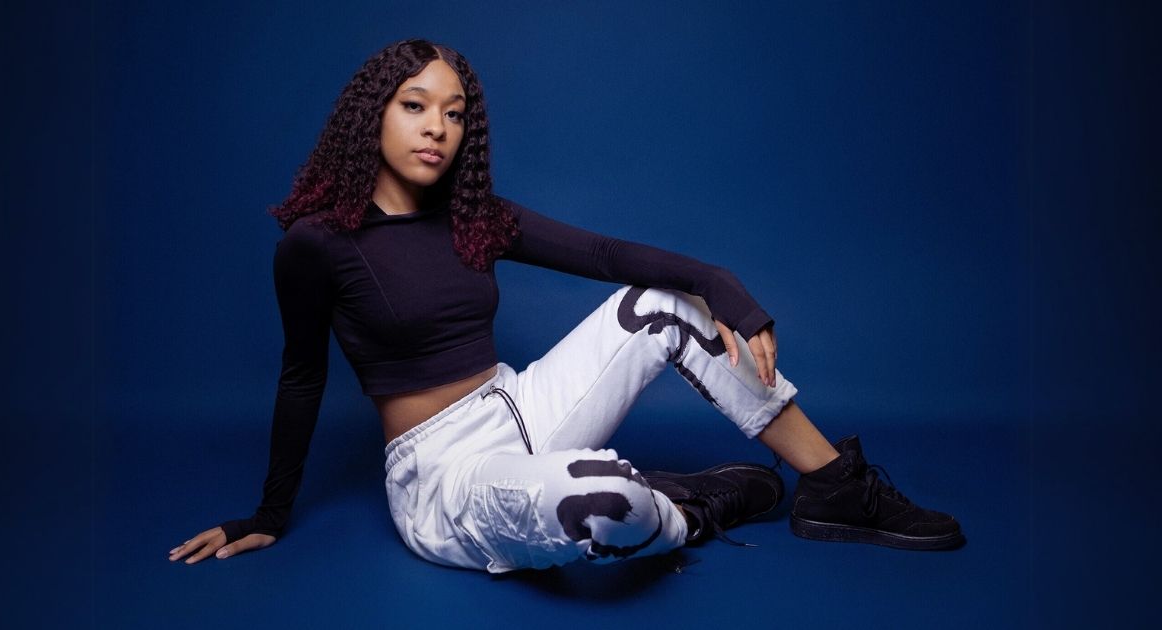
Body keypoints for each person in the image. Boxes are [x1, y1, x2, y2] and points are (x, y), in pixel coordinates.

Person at [168, 39, 965, 572]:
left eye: (454, 113)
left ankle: (833, 484)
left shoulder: (473, 215)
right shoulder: (317, 243)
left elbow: (605, 257)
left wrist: (723, 283)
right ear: (372, 113)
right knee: (601, 500)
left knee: (662, 303)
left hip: (520, 403)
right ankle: (693, 505)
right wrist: (268, 512)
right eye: (416, 105)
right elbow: (302, 375)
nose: (437, 128)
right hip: (443, 475)